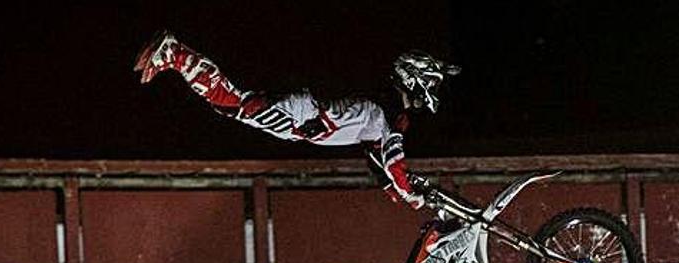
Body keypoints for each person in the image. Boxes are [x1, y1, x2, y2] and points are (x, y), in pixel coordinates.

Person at [134, 30, 460, 209]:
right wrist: (408, 192)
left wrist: (394, 190)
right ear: (415, 77)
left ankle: (175, 56)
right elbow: (393, 159)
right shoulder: (392, 111)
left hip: (300, 118)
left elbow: (378, 158)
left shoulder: (387, 108)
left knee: (231, 102)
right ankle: (174, 53)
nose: (433, 90)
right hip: (299, 116)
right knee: (231, 101)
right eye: (431, 82)